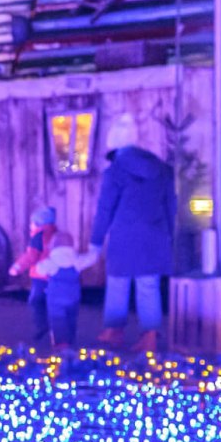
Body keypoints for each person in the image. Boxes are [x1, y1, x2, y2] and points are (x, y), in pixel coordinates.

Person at [90, 115, 177, 353]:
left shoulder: (114, 172)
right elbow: (171, 203)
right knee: (148, 285)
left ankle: (114, 331)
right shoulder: (162, 169)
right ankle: (150, 336)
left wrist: (96, 241)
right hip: (154, 234)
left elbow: (105, 209)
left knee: (118, 283)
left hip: (124, 236)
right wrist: (172, 234)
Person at [33, 230, 97, 351]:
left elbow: (39, 270)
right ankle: (70, 338)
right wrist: (94, 250)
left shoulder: (52, 262)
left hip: (55, 297)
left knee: (57, 318)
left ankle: (61, 342)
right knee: (71, 316)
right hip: (73, 296)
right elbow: (91, 259)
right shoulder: (76, 260)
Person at [8, 206, 59, 345]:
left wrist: (17, 267)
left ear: (38, 223)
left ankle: (42, 326)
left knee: (36, 301)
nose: (30, 226)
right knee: (53, 302)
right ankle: (56, 329)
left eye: (32, 223)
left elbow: (31, 256)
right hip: (55, 276)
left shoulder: (38, 236)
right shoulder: (56, 234)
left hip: (40, 276)